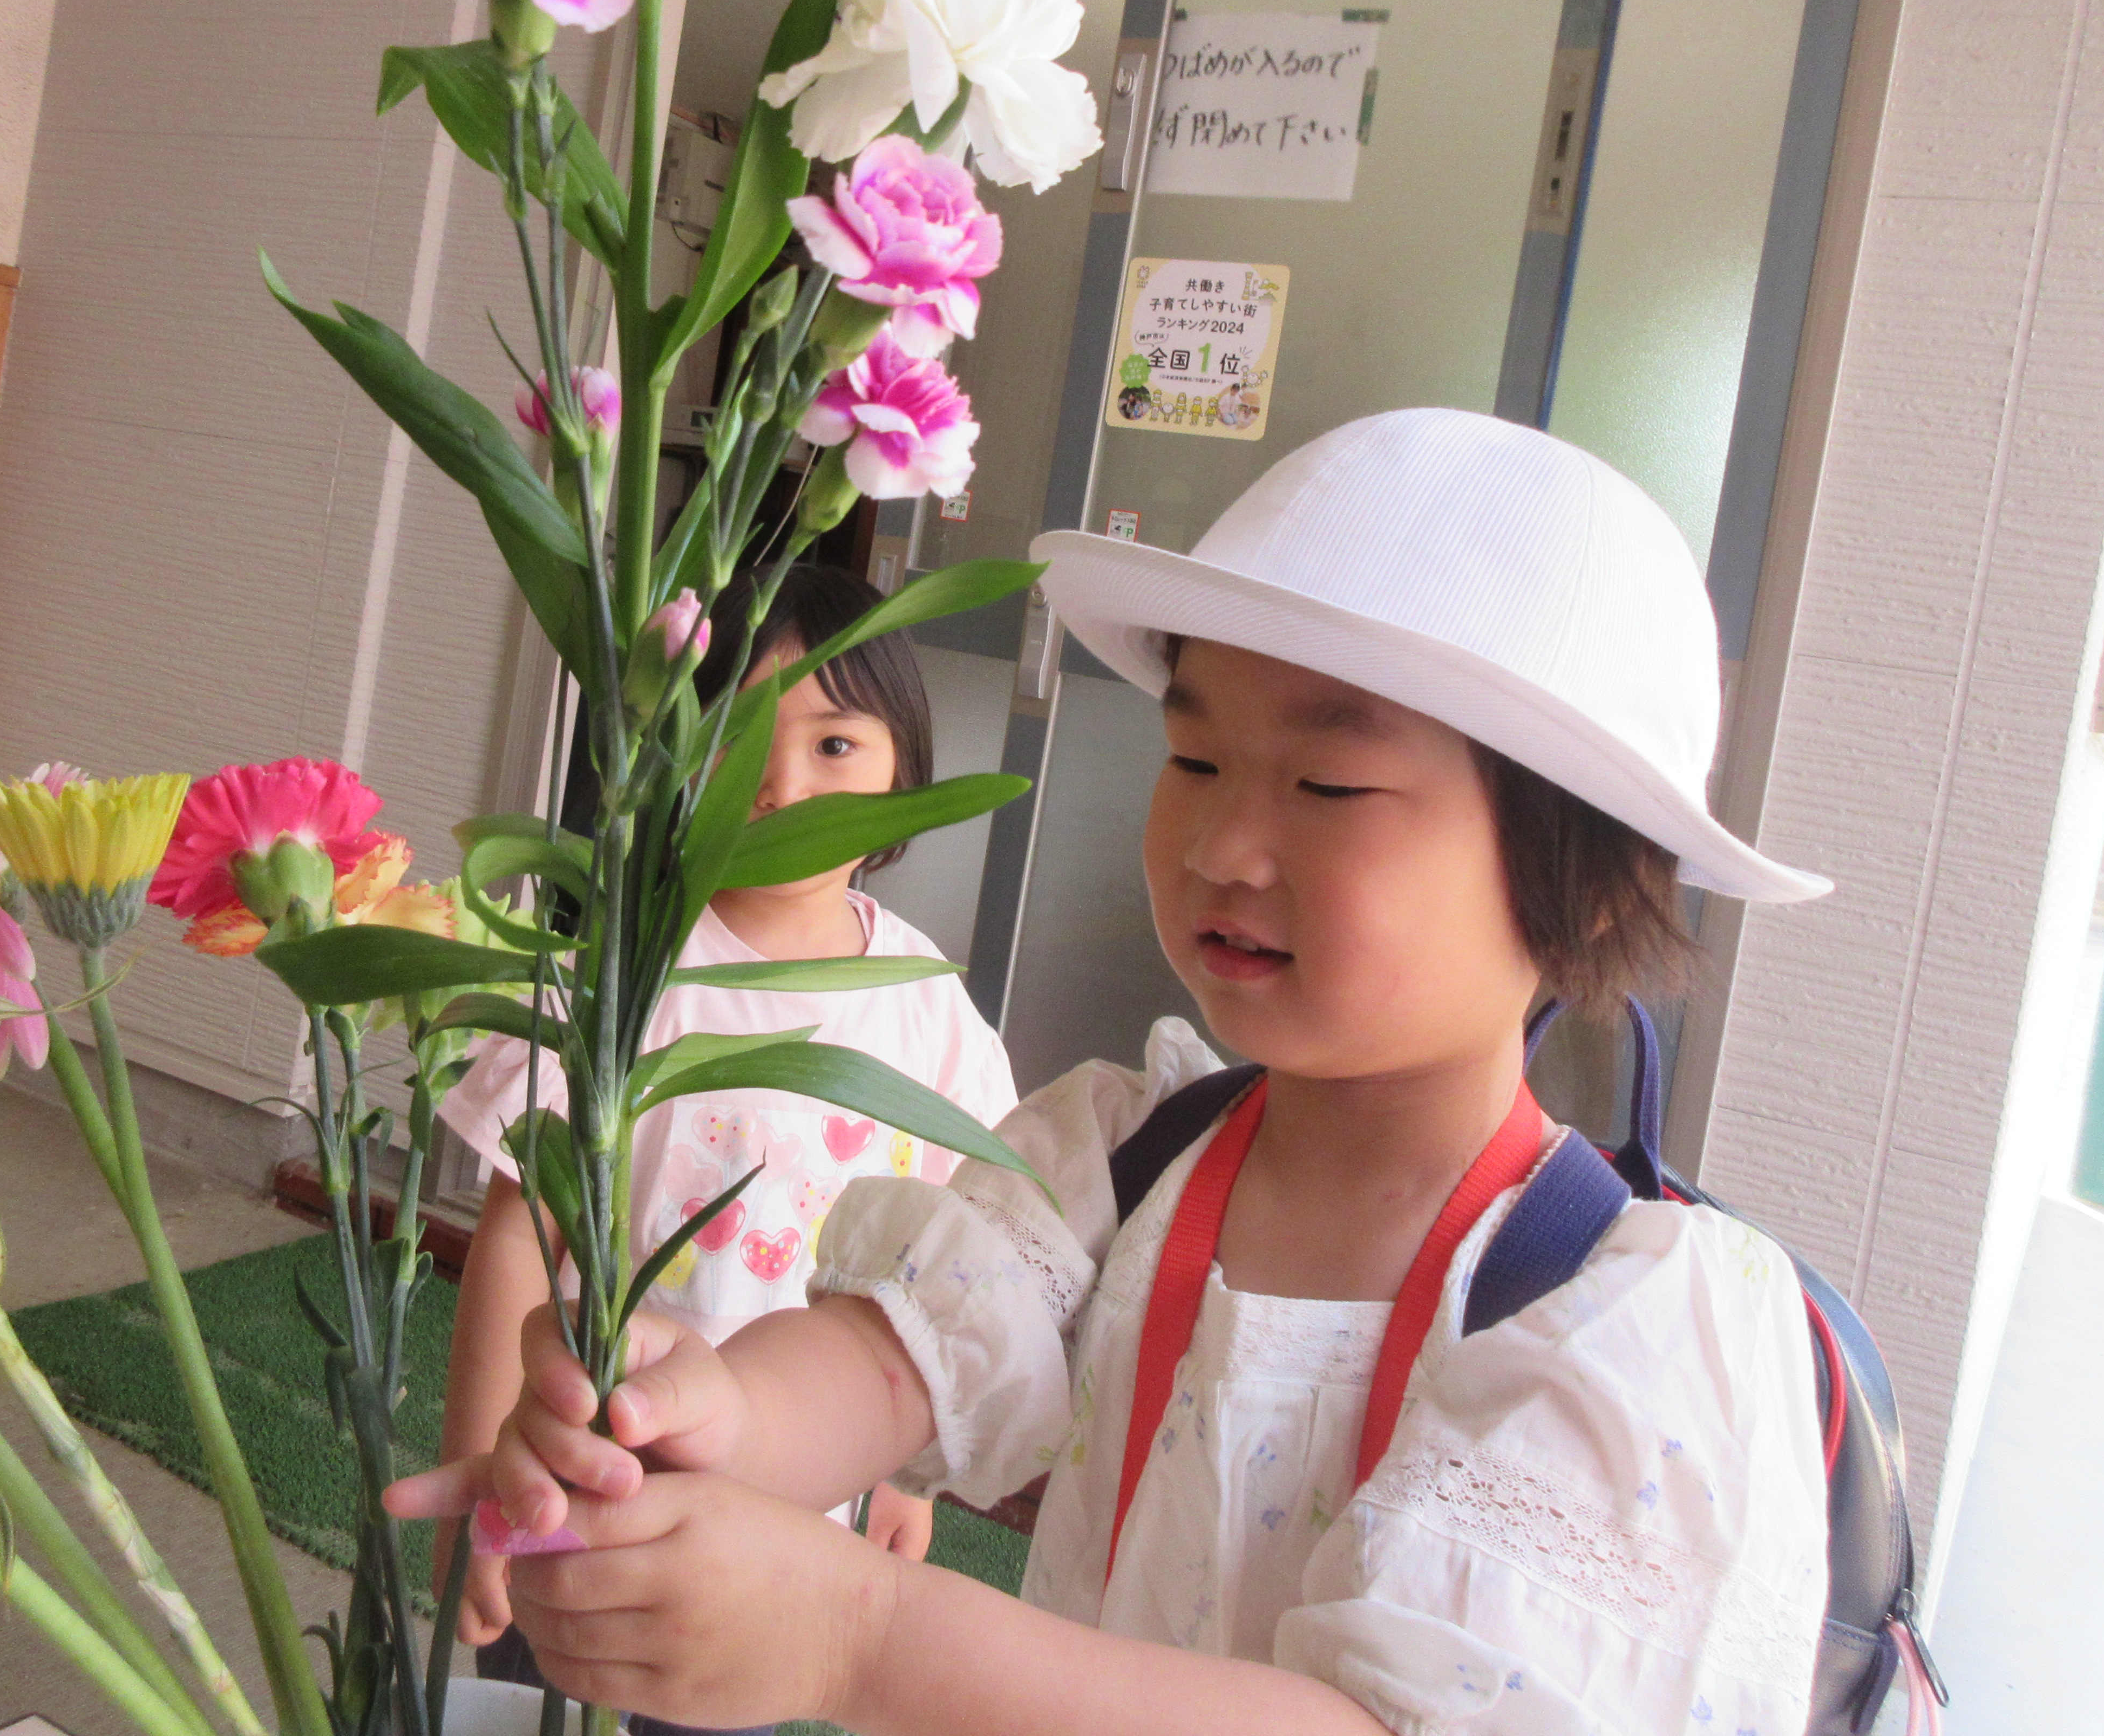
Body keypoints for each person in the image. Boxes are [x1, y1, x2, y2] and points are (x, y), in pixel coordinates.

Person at [399, 410, 1839, 1736]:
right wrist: (710, 1415)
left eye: (1328, 785)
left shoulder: (1620, 1330)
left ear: (1583, 884)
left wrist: (861, 1636)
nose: (1221, 846)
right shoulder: (1128, 1154)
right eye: (1195, 759)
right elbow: (893, 1356)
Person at [430, 561, 1019, 1704]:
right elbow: (519, 1237)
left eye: (835, 745)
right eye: (739, 739)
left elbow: (944, 1276)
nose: (781, 787)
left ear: (905, 772)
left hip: (777, 1536)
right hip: (579, 1491)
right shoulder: (626, 975)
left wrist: (909, 1477)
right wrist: (479, 1471)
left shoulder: (926, 1006)